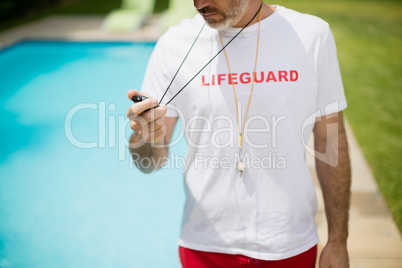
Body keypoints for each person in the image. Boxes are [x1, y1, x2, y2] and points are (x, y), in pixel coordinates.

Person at [126, 0, 351, 267]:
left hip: (289, 243)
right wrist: (146, 137)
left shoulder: (311, 35)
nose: (199, 4)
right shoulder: (174, 44)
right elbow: (150, 163)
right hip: (204, 247)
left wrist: (338, 241)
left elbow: (331, 140)